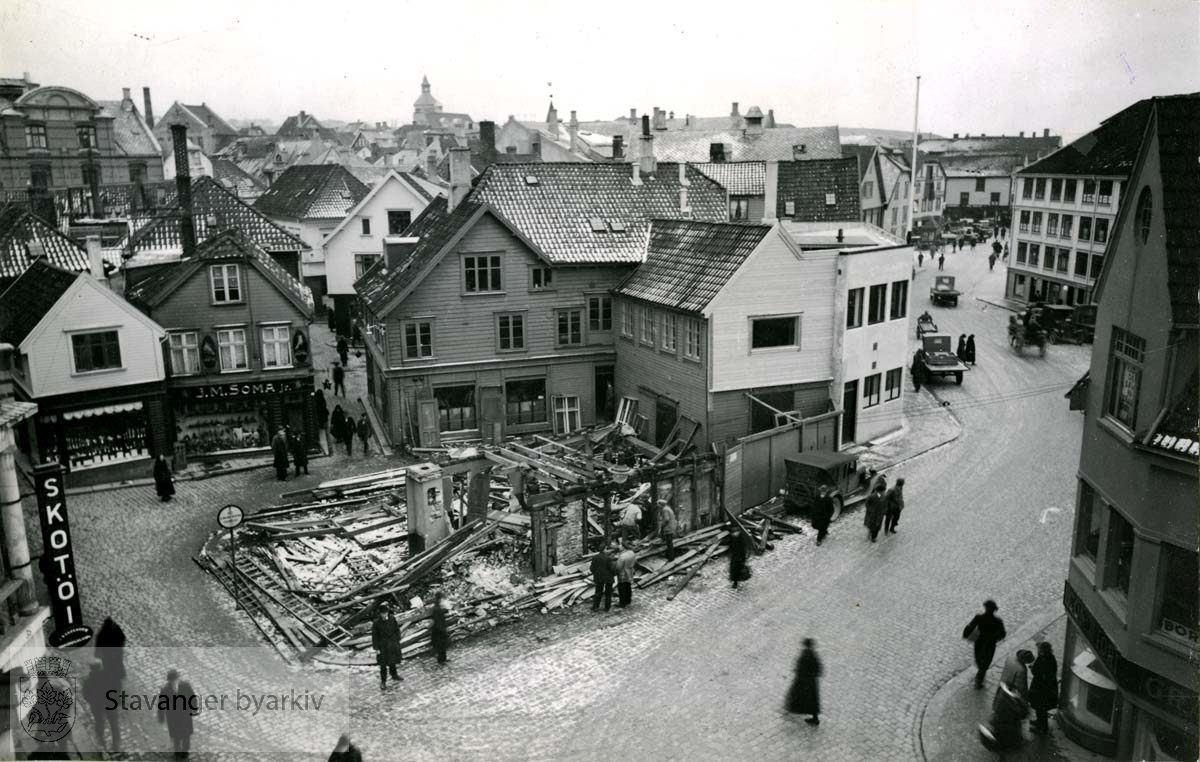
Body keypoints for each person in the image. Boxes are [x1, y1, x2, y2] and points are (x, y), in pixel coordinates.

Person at [963, 600, 1008, 688]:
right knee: (986, 661)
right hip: (990, 643)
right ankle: (980, 677)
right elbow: (1003, 633)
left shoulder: (979, 618)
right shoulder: (997, 621)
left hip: (980, 642)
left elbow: (970, 627)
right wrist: (995, 638)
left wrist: (966, 634)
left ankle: (980, 676)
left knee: (979, 659)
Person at [156, 668, 196, 759]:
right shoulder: (165, 690)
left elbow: (192, 697)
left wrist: (194, 708)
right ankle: (177, 752)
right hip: (173, 717)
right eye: (171, 680)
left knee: (186, 735)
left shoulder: (185, 686)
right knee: (176, 736)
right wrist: (161, 716)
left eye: (175, 680)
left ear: (177, 679)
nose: (173, 682)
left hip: (185, 714)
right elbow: (161, 704)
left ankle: (185, 751)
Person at [979, 681, 1027, 753]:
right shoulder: (1018, 701)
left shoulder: (1002, 699)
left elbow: (996, 712)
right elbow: (1023, 714)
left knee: (1003, 745)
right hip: (1012, 729)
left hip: (1003, 729)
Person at [84, 663, 122, 753]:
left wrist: (92, 702)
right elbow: (118, 687)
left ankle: (101, 740)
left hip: (97, 706)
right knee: (114, 724)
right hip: (110, 704)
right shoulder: (111, 676)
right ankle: (116, 746)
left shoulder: (89, 681)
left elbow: (86, 694)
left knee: (99, 722)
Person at [785, 638, 823, 725]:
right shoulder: (812, 654)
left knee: (803, 697)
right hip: (810, 681)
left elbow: (805, 667)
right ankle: (814, 717)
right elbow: (818, 668)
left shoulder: (808, 654)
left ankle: (813, 718)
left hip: (806, 681)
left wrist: (802, 674)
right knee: (812, 700)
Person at [1029, 642, 1059, 733]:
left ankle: (1042, 728)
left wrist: (1032, 668)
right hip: (1046, 688)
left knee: (1041, 708)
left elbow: (1037, 672)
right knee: (1041, 708)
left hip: (1041, 689)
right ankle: (1039, 722)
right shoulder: (1050, 658)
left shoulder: (1043, 660)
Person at [372, 602, 402, 690]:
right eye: (382, 613)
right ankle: (383, 681)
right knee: (383, 665)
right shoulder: (376, 623)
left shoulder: (392, 619)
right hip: (383, 646)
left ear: (387, 612)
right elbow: (374, 636)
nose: (384, 615)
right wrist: (376, 648)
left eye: (385, 613)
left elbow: (397, 630)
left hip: (392, 644)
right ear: (380, 614)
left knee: (393, 661)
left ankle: (394, 675)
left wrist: (397, 640)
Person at [590, 544, 616, 612]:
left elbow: (592, 568)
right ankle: (607, 608)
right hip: (608, 578)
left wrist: (596, 574)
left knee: (598, 592)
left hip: (598, 578)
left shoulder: (595, 557)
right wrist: (614, 574)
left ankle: (595, 607)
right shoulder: (608, 559)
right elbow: (612, 569)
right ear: (604, 550)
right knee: (608, 593)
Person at [615, 543, 636, 607]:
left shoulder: (622, 556)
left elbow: (619, 567)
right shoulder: (632, 553)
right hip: (630, 571)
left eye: (620, 546)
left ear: (623, 547)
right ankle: (628, 600)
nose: (619, 547)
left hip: (623, 573)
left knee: (622, 588)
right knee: (628, 586)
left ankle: (622, 603)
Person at [430, 592, 450, 664]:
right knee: (440, 646)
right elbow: (438, 621)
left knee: (443, 645)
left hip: (440, 629)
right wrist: (443, 630)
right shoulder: (437, 609)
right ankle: (440, 660)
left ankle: (444, 659)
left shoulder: (438, 607)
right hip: (438, 630)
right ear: (440, 599)